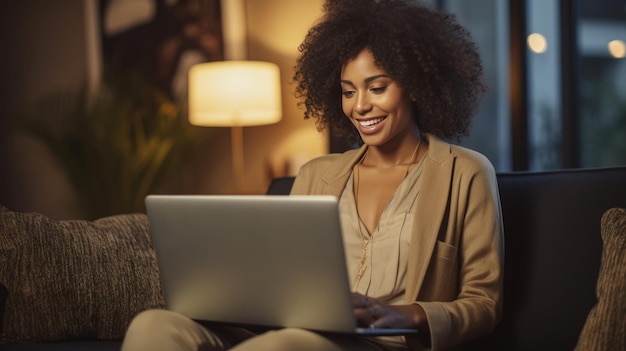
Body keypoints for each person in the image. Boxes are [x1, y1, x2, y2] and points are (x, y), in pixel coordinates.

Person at [121, 0, 503, 350]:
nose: (361, 106)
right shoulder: (316, 175)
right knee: (155, 325)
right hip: (295, 334)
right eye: (348, 91)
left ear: (417, 87)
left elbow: (484, 302)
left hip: (381, 344)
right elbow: (284, 282)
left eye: (378, 87)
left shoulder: (463, 173)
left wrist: (409, 314)